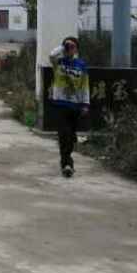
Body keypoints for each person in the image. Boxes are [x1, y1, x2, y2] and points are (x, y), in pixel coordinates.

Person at [49, 37, 90, 178]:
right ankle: (67, 164)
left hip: (75, 105)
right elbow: (52, 55)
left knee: (71, 136)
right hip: (60, 104)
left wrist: (85, 104)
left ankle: (66, 161)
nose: (70, 49)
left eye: (73, 47)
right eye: (68, 46)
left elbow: (85, 86)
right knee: (64, 134)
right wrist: (63, 47)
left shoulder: (81, 65)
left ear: (77, 49)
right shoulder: (58, 62)